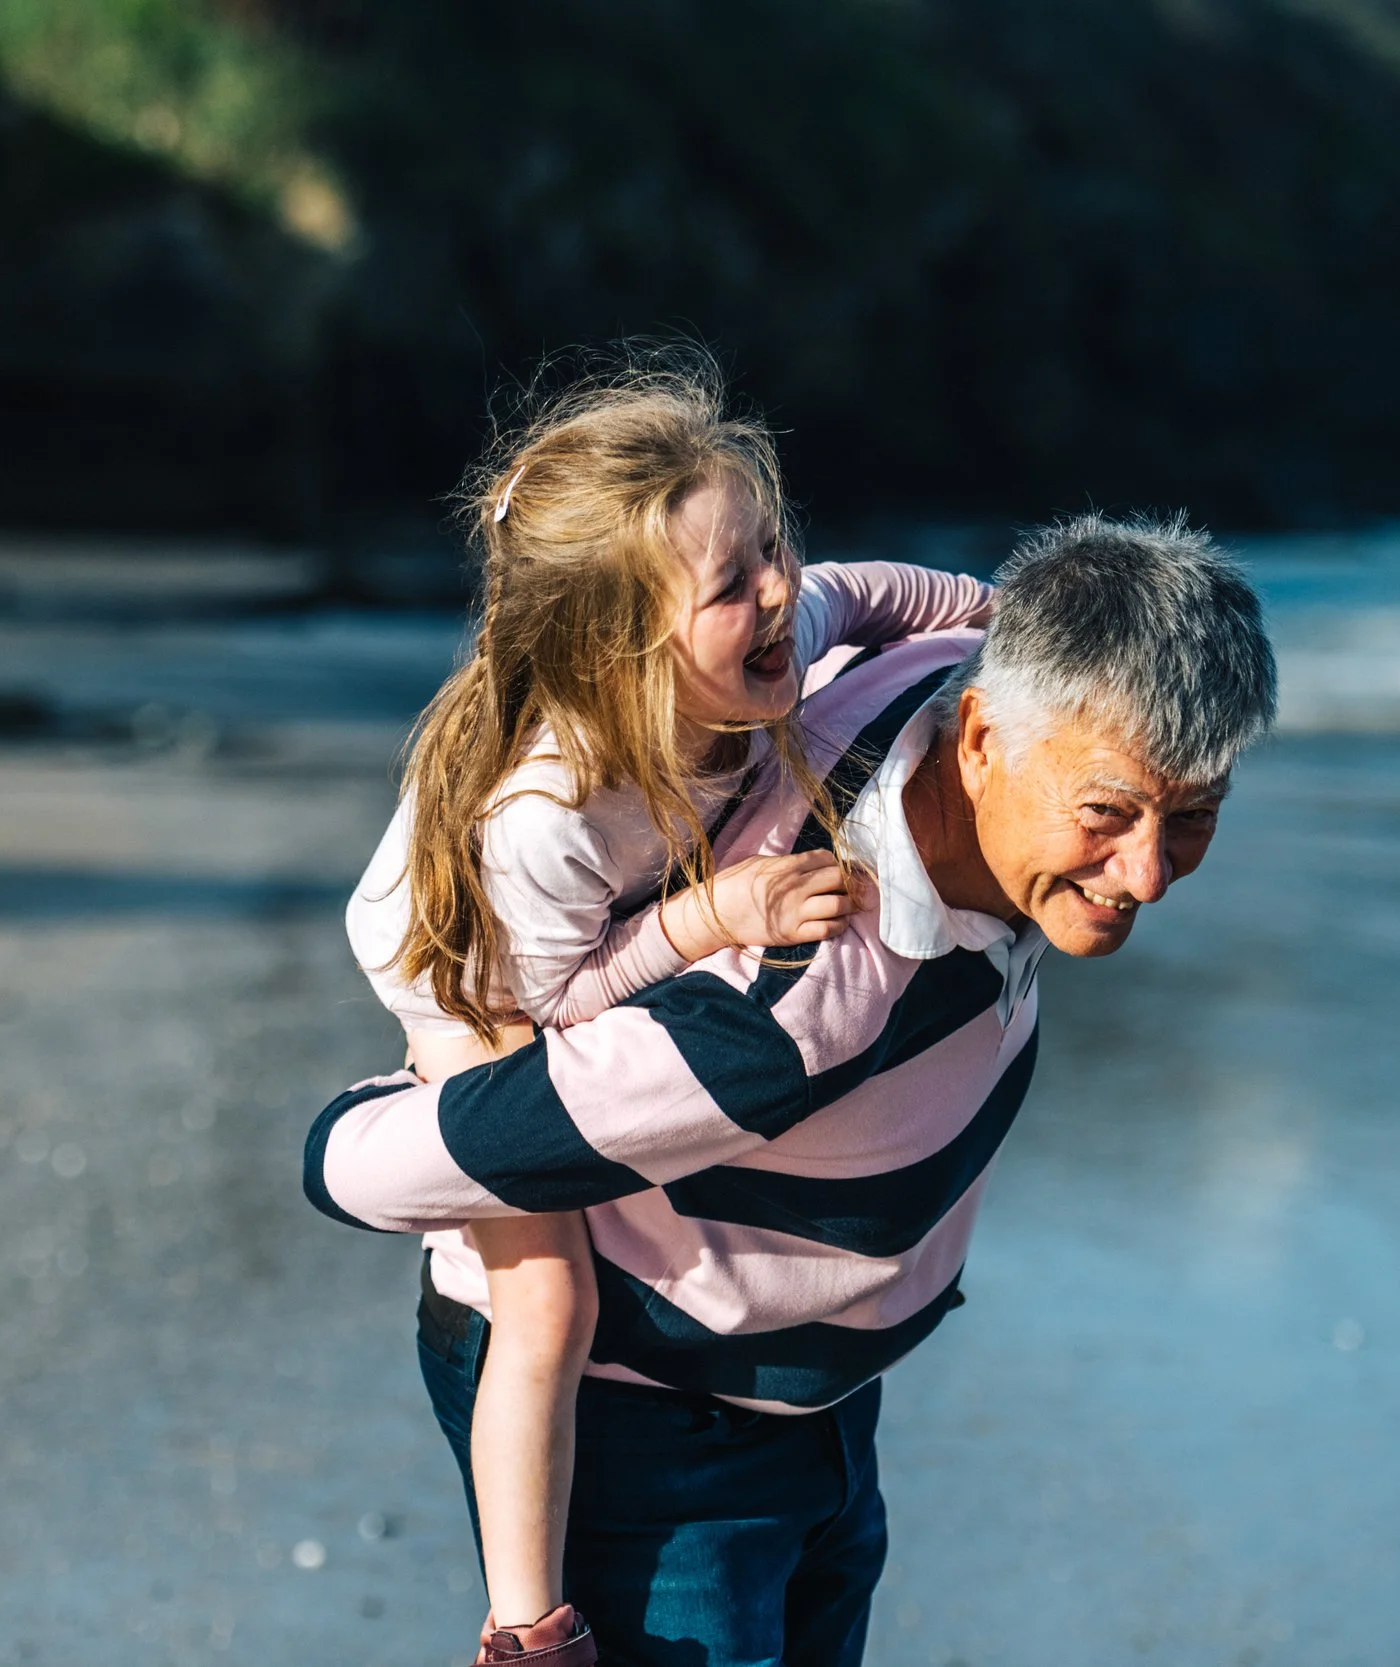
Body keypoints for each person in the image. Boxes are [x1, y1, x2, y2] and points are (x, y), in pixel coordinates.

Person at [309, 513, 1278, 1667]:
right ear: (977, 742)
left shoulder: (941, 667)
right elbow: (366, 1167)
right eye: (1107, 815)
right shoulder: (794, 1007)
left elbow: (853, 596)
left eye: (1196, 816)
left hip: (805, 1401)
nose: (1149, 874)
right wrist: (404, 1083)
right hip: (645, 1419)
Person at [344, 348, 1000, 1666]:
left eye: (770, 544)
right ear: (620, 647)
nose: (779, 591)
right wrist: (713, 919)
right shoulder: (560, 806)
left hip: (560, 956)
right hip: (472, 984)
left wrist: (1015, 634)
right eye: (732, 582)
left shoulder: (767, 632)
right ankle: (526, 1621)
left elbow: (872, 589)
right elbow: (558, 1008)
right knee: (546, 1294)